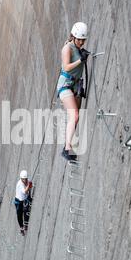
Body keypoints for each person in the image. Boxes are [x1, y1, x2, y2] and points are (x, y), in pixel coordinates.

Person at [56, 22, 90, 161]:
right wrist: (80, 60)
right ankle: (67, 148)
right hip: (65, 85)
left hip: (76, 86)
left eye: (83, 40)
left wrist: (83, 55)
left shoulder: (77, 48)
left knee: (75, 118)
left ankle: (67, 145)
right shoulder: (67, 48)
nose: (81, 42)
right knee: (74, 116)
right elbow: (66, 67)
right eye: (79, 39)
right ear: (73, 36)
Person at [15, 170, 33, 236]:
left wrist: (30, 185)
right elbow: (25, 191)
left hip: (24, 198)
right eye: (23, 179)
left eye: (25, 179)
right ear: (21, 178)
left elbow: (28, 187)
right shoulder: (19, 184)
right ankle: (21, 228)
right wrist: (29, 185)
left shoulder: (27, 180)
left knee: (26, 210)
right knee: (19, 215)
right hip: (18, 201)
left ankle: (25, 225)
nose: (24, 180)